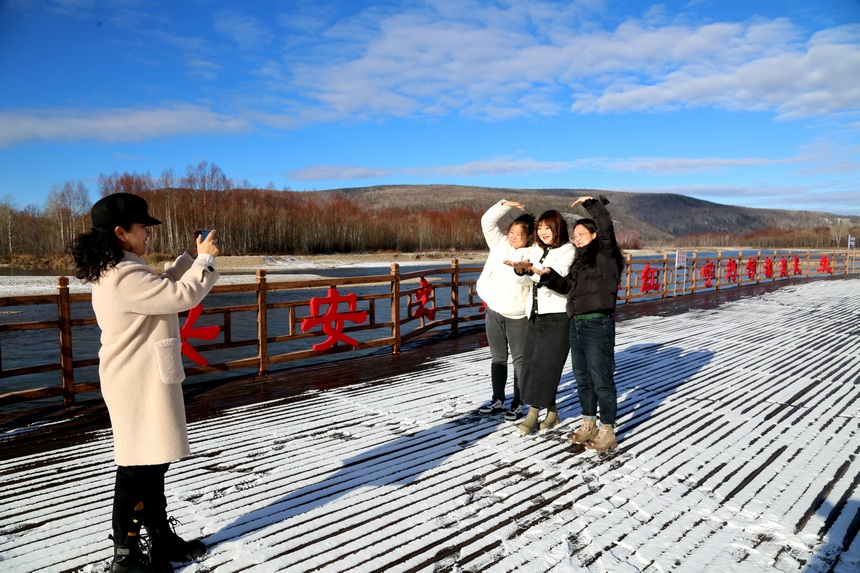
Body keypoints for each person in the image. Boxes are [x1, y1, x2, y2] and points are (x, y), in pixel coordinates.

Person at [68, 193, 220, 573]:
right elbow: (182, 295)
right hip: (137, 382)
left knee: (152, 463)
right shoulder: (124, 275)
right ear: (121, 232)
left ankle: (159, 540)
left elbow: (162, 286)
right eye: (142, 228)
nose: (148, 234)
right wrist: (205, 260)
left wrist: (188, 257)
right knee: (137, 468)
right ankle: (126, 556)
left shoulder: (122, 269)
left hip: (140, 377)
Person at [537, 195, 624, 451]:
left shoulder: (607, 255)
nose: (577, 236)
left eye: (582, 232)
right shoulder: (580, 260)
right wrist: (547, 276)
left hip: (598, 324)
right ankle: (589, 424)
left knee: (602, 379)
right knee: (583, 378)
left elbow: (607, 226)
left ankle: (607, 429)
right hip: (577, 324)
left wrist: (592, 204)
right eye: (575, 233)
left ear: (595, 235)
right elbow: (567, 288)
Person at [505, 210, 575, 435]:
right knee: (532, 365)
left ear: (558, 229)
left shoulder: (568, 250)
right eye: (541, 228)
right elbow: (529, 277)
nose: (544, 233)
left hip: (556, 316)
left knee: (546, 367)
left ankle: (533, 414)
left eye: (548, 228)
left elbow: (558, 279)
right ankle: (552, 413)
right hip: (534, 314)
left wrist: (535, 272)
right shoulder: (536, 249)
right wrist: (520, 270)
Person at [475, 199, 535, 421]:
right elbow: (487, 221)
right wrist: (504, 205)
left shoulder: (534, 254)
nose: (513, 236)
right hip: (494, 311)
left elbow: (531, 280)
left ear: (528, 236)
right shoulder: (500, 245)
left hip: (518, 315)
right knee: (497, 358)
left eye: (518, 233)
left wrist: (524, 270)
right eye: (511, 231)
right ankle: (498, 399)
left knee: (520, 360)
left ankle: (518, 402)